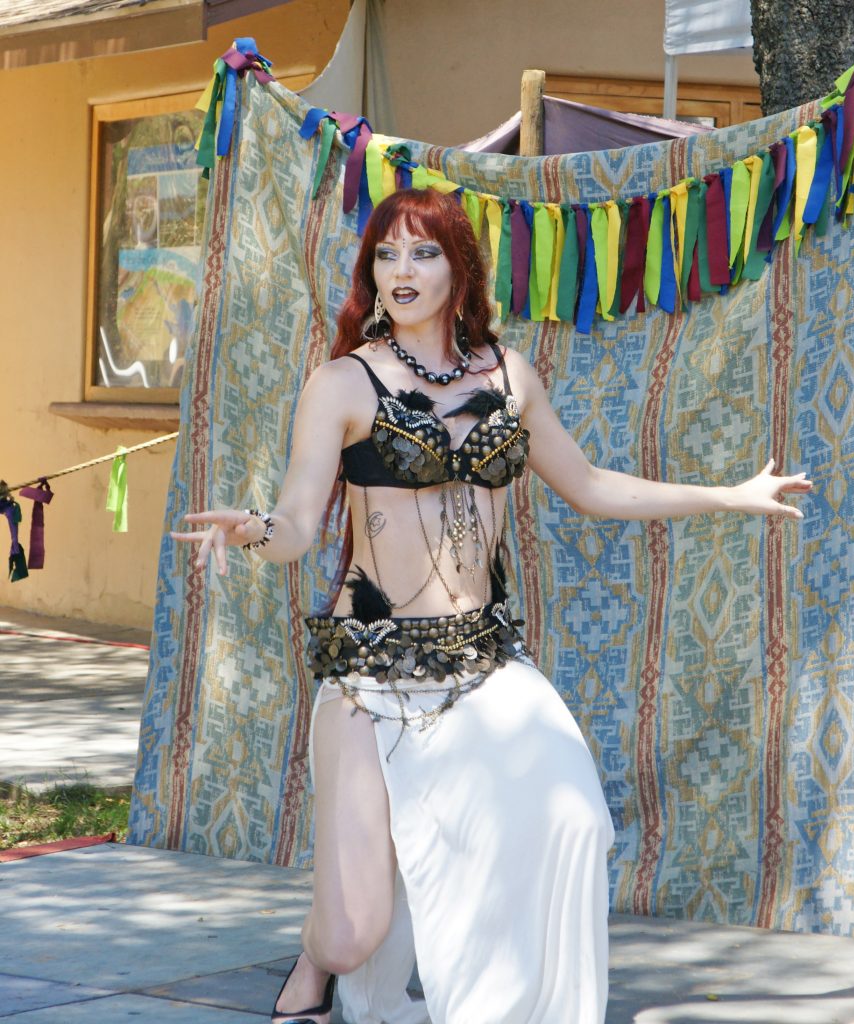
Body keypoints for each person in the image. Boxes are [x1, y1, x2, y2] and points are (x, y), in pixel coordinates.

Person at [172, 187, 812, 1024]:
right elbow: (297, 524)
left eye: (423, 252)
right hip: (373, 675)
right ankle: (317, 961)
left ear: (459, 267)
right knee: (353, 931)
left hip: (483, 664)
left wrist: (728, 495)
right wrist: (255, 527)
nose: (401, 270)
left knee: (573, 821)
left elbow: (590, 486)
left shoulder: (508, 376)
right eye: (386, 254)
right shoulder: (341, 384)